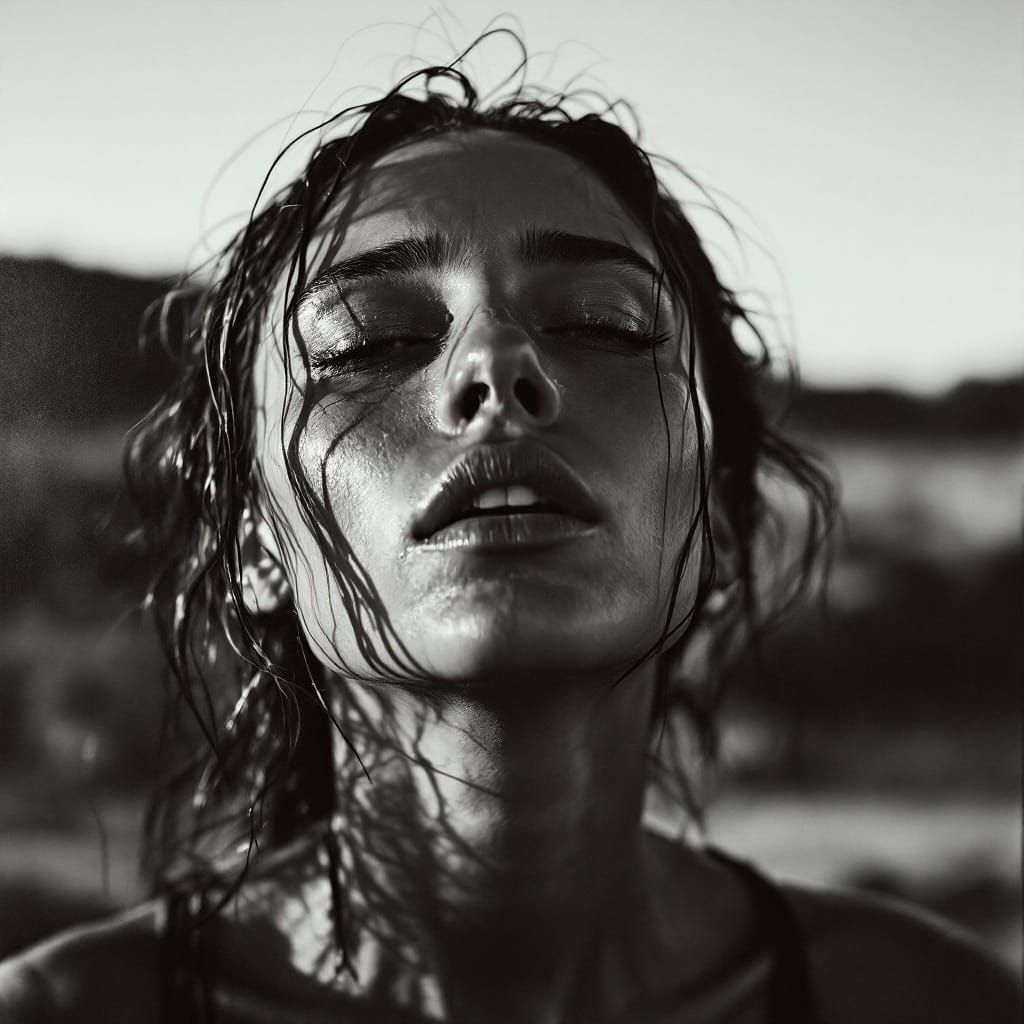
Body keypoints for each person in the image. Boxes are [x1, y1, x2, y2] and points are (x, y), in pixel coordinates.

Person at [0, 40, 1018, 1024]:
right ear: (259, 537)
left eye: (605, 323)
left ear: (711, 508)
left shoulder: (930, 1003)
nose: (494, 364)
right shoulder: (65, 1012)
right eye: (372, 339)